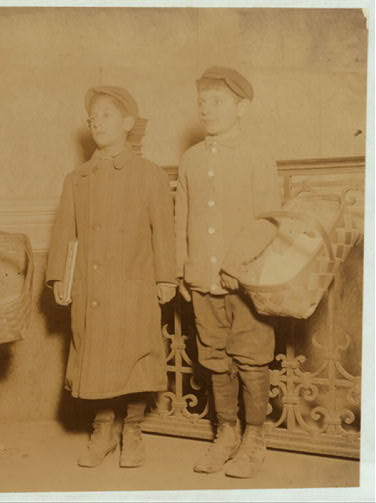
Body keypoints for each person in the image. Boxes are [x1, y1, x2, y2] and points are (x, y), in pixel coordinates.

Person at [46, 86, 176, 468]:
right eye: (93, 117)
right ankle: (102, 430)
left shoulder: (149, 175)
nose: (96, 122)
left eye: (106, 115)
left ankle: (132, 430)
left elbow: (163, 234)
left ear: (128, 123)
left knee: (135, 358)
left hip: (134, 284)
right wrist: (60, 279)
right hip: (93, 287)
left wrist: (165, 277)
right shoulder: (78, 178)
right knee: (96, 358)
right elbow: (63, 234)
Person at [175, 66, 281, 478]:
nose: (206, 108)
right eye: (202, 101)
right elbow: (181, 217)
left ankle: (254, 438)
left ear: (243, 108)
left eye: (216, 101)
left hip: (245, 283)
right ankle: (226, 434)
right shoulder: (191, 159)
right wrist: (183, 270)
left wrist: (239, 266)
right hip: (202, 279)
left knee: (252, 360)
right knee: (215, 359)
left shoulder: (256, 156)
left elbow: (268, 220)